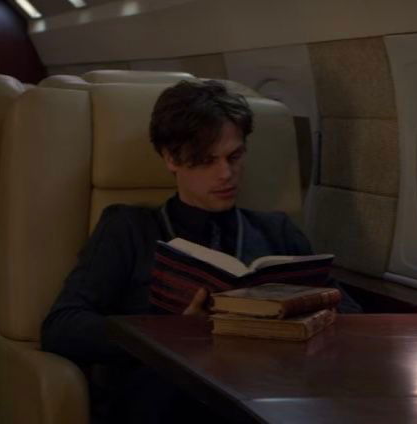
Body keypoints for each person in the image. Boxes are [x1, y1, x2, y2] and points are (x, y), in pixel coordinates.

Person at [41, 80, 361, 424]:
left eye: (234, 157)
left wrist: (298, 318)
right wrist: (170, 334)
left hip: (265, 392)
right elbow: (62, 326)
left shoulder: (276, 232)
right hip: (166, 399)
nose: (226, 174)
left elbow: (349, 314)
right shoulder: (129, 229)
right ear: (171, 158)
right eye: (206, 161)